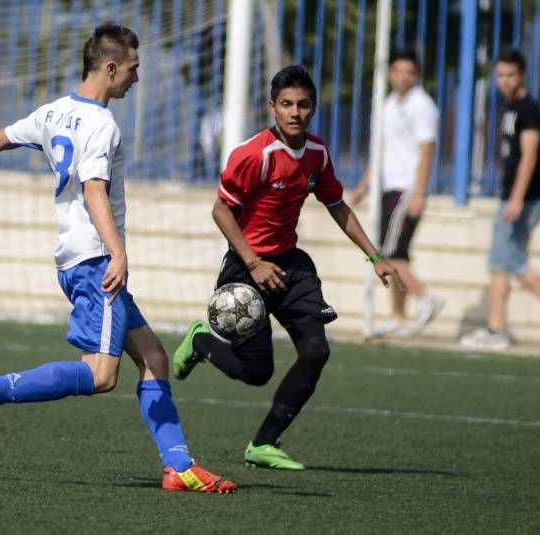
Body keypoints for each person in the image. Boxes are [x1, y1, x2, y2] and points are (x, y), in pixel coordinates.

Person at [0, 23, 237, 494]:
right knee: (102, 374)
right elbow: (93, 191)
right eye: (133, 69)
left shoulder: (54, 112)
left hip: (75, 258)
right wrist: (119, 252)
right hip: (95, 261)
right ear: (110, 67)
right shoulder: (103, 124)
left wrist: (37, 136)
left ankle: (178, 466)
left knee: (153, 357)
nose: (136, 78)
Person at [172, 65, 404, 470]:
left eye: (303, 104)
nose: (295, 112)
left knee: (316, 350)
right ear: (272, 108)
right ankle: (200, 343)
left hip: (291, 265)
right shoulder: (253, 155)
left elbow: (337, 205)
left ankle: (264, 443)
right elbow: (221, 211)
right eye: (286, 104)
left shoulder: (316, 153)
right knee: (256, 372)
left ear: (312, 109)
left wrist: (375, 256)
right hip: (247, 268)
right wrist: (254, 262)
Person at [460, 49, 540, 352]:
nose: (504, 81)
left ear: (521, 75)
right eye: (500, 75)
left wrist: (515, 199)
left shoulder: (528, 110)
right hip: (511, 197)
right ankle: (496, 329)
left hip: (523, 199)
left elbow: (530, 157)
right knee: (498, 263)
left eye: (510, 75)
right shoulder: (509, 107)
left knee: (511, 262)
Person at [349, 47, 444, 337]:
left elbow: (427, 151)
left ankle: (426, 298)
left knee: (388, 254)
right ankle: (398, 317)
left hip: (406, 189)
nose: (403, 77)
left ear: (417, 75)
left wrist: (419, 192)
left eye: (409, 72)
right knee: (395, 252)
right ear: (390, 73)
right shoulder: (388, 103)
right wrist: (364, 187)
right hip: (388, 188)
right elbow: (381, 150)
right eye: (398, 71)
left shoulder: (422, 105)